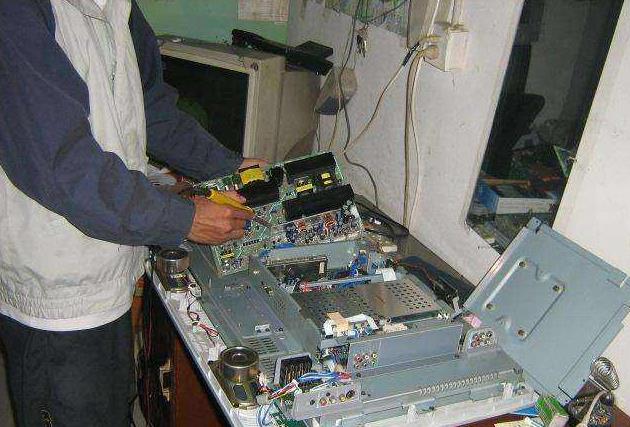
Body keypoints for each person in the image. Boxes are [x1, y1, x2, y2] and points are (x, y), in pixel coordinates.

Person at [0, 1, 266, 425]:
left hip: (110, 268)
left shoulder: (119, 7)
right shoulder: (17, 12)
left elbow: (152, 107)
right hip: (56, 291)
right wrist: (185, 219)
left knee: (109, 409)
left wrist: (226, 166)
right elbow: (64, 167)